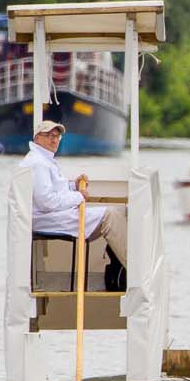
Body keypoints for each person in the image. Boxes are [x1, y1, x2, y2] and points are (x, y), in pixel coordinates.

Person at [27, 119, 124, 283]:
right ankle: (134, 272)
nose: (54, 139)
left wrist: (73, 187)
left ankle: (121, 267)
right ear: (37, 138)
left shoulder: (44, 160)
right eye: (49, 135)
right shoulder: (38, 163)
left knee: (118, 212)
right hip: (45, 220)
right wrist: (78, 197)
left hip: (54, 215)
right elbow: (46, 202)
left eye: (57, 136)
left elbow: (55, 190)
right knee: (110, 215)